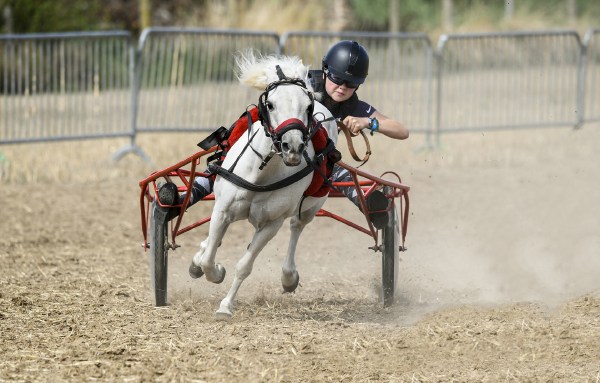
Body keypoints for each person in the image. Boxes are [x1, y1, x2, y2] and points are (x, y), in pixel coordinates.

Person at [156, 40, 409, 228]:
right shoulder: (304, 83)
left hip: (315, 161)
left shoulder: (353, 105)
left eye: (351, 84)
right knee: (234, 150)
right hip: (276, 146)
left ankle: (368, 203)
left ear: (359, 84)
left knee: (331, 161)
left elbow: (402, 130)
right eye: (336, 79)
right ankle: (184, 198)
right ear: (324, 71)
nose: (342, 88)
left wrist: (369, 123)